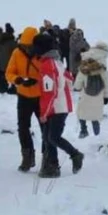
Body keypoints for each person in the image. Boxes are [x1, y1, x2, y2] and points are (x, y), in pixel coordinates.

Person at [34, 33, 83, 178]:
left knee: (53, 138)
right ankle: (52, 166)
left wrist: (44, 112)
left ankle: (75, 155)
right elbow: (69, 80)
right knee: (47, 137)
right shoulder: (58, 62)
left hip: (56, 107)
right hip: (61, 105)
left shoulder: (47, 65)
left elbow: (50, 92)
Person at [5, 27, 43, 172]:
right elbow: (9, 72)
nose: (27, 49)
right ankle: (27, 157)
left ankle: (47, 158)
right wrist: (18, 80)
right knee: (23, 128)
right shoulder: (16, 53)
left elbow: (49, 75)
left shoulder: (42, 55)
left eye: (30, 46)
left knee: (45, 129)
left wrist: (36, 81)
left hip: (40, 97)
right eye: (25, 46)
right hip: (23, 96)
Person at [73, 41, 108, 138]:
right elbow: (106, 81)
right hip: (98, 94)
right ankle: (97, 135)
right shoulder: (101, 63)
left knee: (82, 112)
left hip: (85, 92)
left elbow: (79, 78)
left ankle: (83, 130)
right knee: (95, 114)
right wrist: (106, 96)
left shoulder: (85, 61)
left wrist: (77, 87)